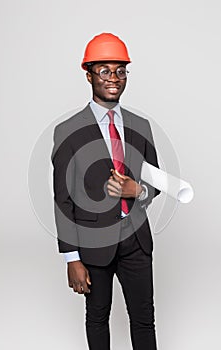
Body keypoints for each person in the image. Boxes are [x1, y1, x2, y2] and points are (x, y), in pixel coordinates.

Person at [51, 33, 161, 350]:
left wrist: (137, 189)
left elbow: (154, 184)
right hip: (94, 244)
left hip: (137, 241)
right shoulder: (68, 131)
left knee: (144, 319)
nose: (113, 78)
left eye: (120, 70)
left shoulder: (141, 126)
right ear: (89, 75)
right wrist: (72, 258)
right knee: (97, 317)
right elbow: (63, 200)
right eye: (104, 71)